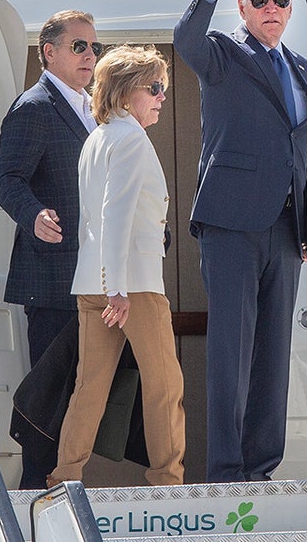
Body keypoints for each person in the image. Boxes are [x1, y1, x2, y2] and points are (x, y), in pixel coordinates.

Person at [173, 0, 307, 483]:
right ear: (242, 8)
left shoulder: (305, 70)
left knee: (273, 353)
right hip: (231, 224)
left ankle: (262, 468)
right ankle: (227, 471)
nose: (272, 8)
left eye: (281, 0)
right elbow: (185, 40)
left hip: (287, 229)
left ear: (290, 9)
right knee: (230, 354)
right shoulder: (223, 52)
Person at [47, 45, 186, 487]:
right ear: (128, 93)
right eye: (156, 87)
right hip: (132, 286)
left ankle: (63, 480)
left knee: (90, 388)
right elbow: (116, 213)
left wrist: (107, 285)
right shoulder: (130, 140)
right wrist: (118, 289)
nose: (162, 96)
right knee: (165, 386)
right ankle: (168, 483)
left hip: (94, 282)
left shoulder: (97, 137)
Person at [0, 10, 102, 489]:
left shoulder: (92, 107)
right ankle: (36, 497)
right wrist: (33, 214)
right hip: (52, 281)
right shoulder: (34, 107)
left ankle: (62, 489)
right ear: (50, 52)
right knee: (49, 400)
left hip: (91, 278)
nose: (90, 56)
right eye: (79, 46)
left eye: (93, 47)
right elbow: (8, 180)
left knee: (81, 397)